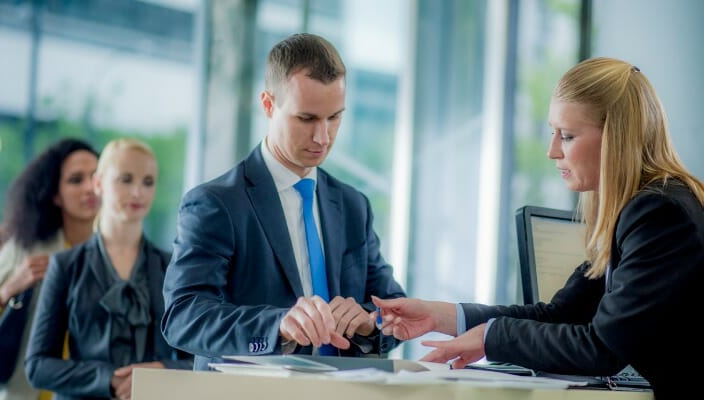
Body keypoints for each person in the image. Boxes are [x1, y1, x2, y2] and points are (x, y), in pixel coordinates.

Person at [374, 57, 704, 399]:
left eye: (568, 135)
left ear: (616, 138)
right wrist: (442, 315)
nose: (551, 150)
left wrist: (492, 337)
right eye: (553, 132)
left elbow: (602, 348)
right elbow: (564, 315)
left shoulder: (660, 214)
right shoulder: (642, 209)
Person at [161, 33, 406, 369]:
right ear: (268, 105)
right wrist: (277, 325)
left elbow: (395, 309)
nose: (323, 136)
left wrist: (369, 319)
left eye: (334, 117)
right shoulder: (216, 203)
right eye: (306, 119)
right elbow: (183, 316)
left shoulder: (353, 206)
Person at [25, 138, 192, 400]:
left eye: (148, 182)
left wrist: (161, 370)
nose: (138, 192)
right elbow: (37, 366)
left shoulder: (173, 268)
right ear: (99, 184)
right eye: (126, 179)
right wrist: (108, 379)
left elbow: (198, 359)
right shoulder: (65, 266)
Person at [0, 138, 100, 400]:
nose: (90, 188)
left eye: (96, 177)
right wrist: (9, 290)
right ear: (55, 194)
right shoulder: (25, 248)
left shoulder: (115, 256)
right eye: (76, 180)